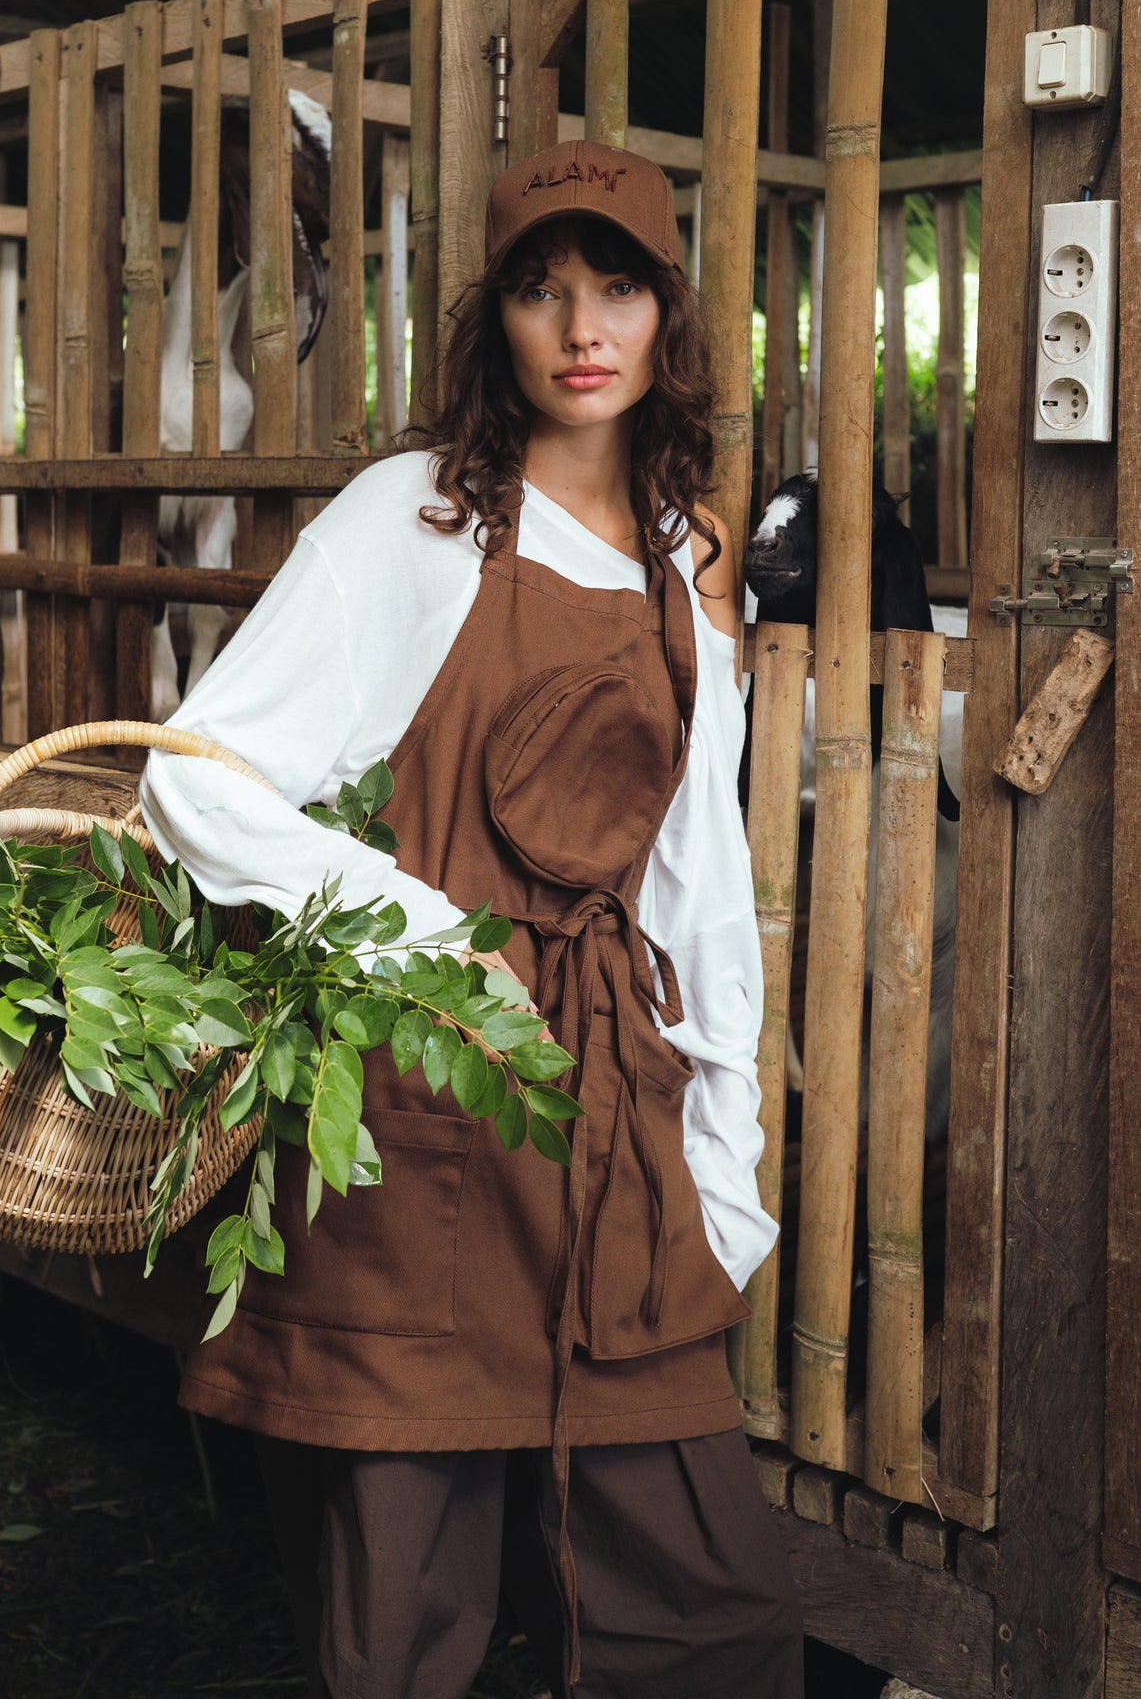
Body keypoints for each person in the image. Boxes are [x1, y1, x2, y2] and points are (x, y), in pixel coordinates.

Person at [139, 137, 804, 1699]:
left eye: (616, 286)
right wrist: (428, 937)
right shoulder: (413, 519)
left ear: (664, 319)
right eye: (539, 287)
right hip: (416, 1109)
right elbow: (198, 782)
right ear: (494, 323)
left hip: (601, 1110)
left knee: (704, 1606)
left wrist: (723, 1144)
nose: (581, 325)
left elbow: (696, 871)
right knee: (399, 1623)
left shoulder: (683, 555)